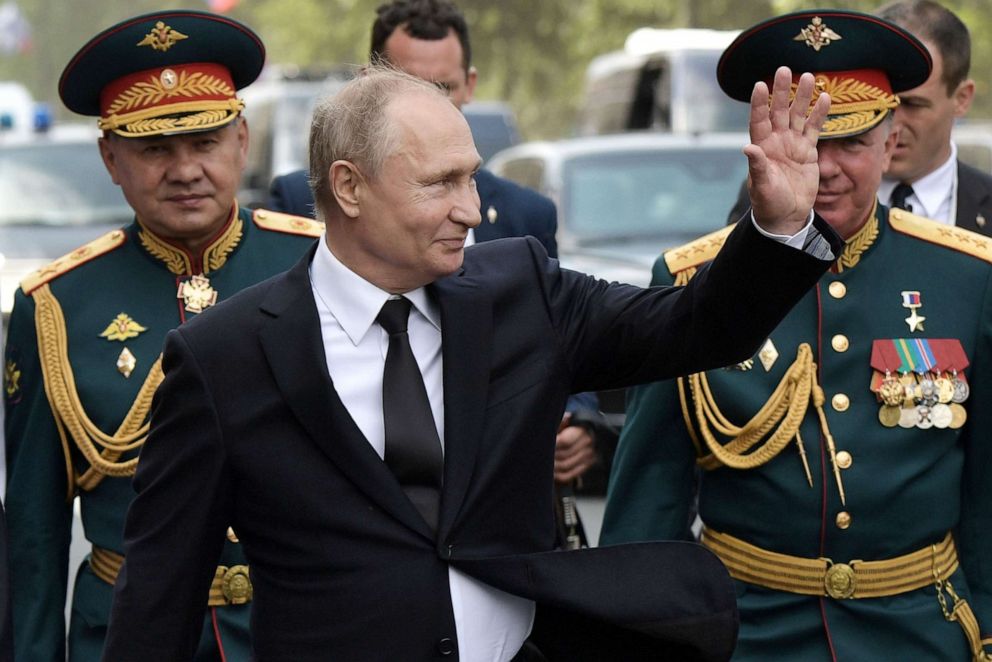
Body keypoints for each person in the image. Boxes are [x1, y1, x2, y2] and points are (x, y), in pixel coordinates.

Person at [100, 62, 839, 661]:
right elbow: (161, 589)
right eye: (441, 183)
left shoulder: (522, 292)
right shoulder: (224, 356)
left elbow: (697, 327)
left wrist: (776, 228)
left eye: (472, 177)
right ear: (350, 188)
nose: (475, 209)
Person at [602, 9, 992, 661]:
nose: (827, 168)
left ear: (891, 137)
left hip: (918, 633)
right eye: (808, 141)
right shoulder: (689, 281)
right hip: (748, 632)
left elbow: (985, 491)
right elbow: (648, 504)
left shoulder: (968, 276)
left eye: (852, 142)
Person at [2, 10, 322, 661]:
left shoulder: (321, 268)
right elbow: (34, 537)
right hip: (129, 634)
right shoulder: (56, 305)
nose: (184, 170)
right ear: (110, 158)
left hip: (297, 626)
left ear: (241, 139)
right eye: (155, 149)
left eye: (204, 142)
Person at [271, 0, 602, 499]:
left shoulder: (523, 213)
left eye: (443, 87)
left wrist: (582, 416)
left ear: (469, 84)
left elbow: (554, 332)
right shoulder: (304, 198)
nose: (462, 211)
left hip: (489, 493)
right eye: (406, 82)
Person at [876, 0, 992, 234]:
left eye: (912, 104)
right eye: (878, 104)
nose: (892, 125)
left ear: (962, 99)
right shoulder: (811, 209)